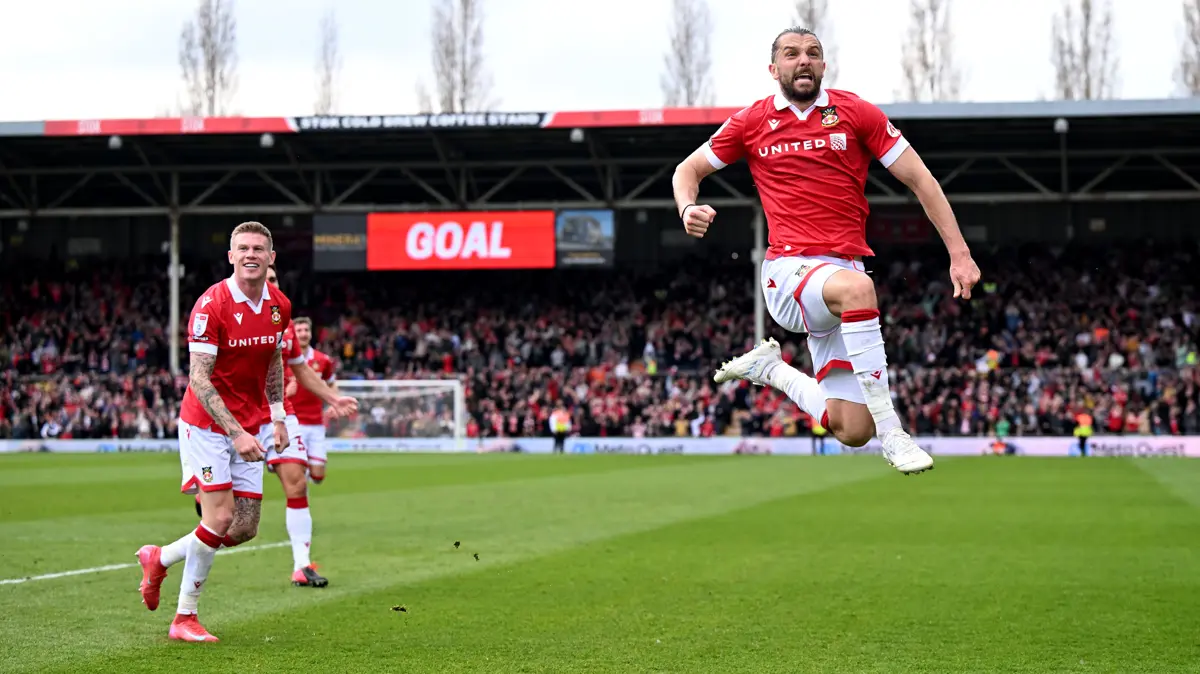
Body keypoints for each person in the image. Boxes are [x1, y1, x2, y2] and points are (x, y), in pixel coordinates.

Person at [672, 26, 981, 475]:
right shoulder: (752, 121)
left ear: (823, 65)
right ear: (773, 68)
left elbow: (921, 179)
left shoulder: (855, 113)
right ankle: (894, 432)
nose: (804, 60)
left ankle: (771, 369)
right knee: (858, 290)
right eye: (792, 53)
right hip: (789, 272)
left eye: (813, 53)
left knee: (852, 429)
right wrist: (687, 208)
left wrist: (960, 253)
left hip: (839, 278)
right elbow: (688, 169)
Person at [135, 221, 294, 642]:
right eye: (242, 248)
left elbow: (274, 361)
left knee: (243, 527)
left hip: (253, 422)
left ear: (271, 257)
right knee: (220, 516)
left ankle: (160, 558)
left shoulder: (279, 305)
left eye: (259, 248)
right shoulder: (211, 306)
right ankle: (184, 618)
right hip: (206, 423)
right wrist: (236, 433)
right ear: (231, 256)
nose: (251, 255)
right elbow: (199, 380)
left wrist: (277, 415)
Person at [265, 263, 357, 588]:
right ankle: (162, 558)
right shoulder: (223, 312)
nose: (269, 283)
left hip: (288, 418)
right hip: (239, 415)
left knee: (301, 484)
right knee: (232, 524)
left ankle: (301, 566)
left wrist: (333, 399)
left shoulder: (285, 326)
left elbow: (303, 371)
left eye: (274, 278)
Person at [286, 316, 337, 484]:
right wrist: (286, 392)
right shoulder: (284, 359)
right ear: (293, 333)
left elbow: (331, 383)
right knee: (296, 474)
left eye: (306, 330)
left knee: (318, 476)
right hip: (293, 423)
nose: (303, 334)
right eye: (299, 330)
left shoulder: (323, 360)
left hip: (316, 423)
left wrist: (334, 403)